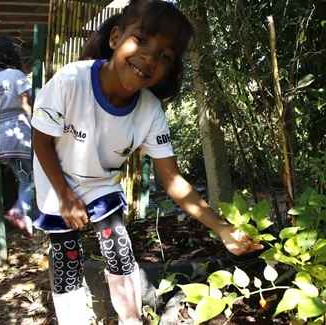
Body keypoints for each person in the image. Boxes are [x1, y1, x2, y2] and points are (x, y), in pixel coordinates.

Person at [31, 1, 263, 324]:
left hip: (99, 183)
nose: (149, 58)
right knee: (67, 257)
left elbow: (172, 180)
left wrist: (222, 229)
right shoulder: (70, 81)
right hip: (55, 179)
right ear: (115, 38)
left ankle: (131, 318)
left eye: (164, 56)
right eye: (140, 40)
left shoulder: (150, 111)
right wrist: (65, 195)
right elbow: (40, 140)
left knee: (116, 243)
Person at [0, 36, 34, 238]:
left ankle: (22, 216)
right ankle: (19, 211)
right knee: (31, 179)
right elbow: (26, 105)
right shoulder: (17, 74)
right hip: (20, 132)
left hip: (0, 135)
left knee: (21, 177)